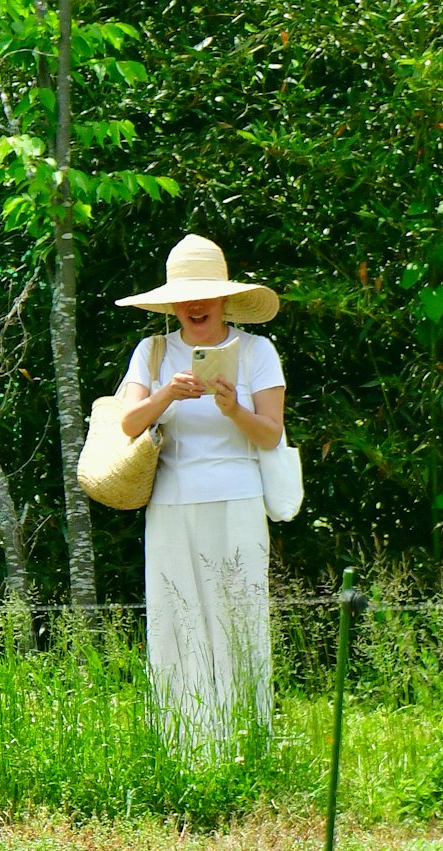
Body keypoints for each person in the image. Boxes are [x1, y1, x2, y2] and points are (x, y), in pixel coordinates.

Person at [116, 235, 285, 746]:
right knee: (176, 620)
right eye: (186, 295)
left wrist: (233, 407)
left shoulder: (257, 351)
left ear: (224, 299)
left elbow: (271, 433)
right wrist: (170, 390)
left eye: (206, 294)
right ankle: (183, 745)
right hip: (169, 504)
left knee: (239, 621)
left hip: (236, 500)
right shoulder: (153, 352)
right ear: (172, 304)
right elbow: (127, 424)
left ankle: (245, 744)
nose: (196, 305)